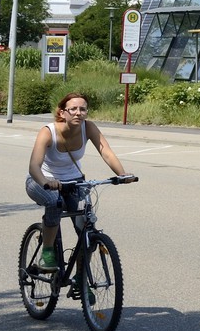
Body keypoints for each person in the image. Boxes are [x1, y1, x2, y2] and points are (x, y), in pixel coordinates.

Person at [25, 93, 129, 270]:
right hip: (41, 181)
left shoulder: (88, 128)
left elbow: (106, 152)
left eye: (82, 109)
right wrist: (46, 181)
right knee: (54, 202)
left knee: (86, 227)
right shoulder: (48, 132)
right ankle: (48, 252)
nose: (78, 113)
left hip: (74, 182)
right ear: (62, 112)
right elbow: (34, 165)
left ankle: (81, 278)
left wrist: (123, 174)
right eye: (73, 109)